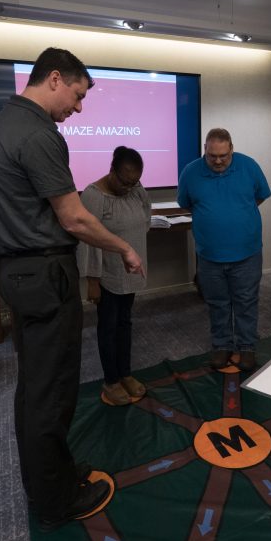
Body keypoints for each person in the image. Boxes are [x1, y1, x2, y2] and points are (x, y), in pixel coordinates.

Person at [0, 47, 144, 531]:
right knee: (52, 394)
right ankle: (56, 500)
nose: (79, 108)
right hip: (45, 276)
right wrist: (124, 250)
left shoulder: (1, 126)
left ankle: (50, 480)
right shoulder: (38, 134)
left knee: (34, 389)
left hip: (20, 275)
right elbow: (74, 217)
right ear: (54, 79)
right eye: (78, 94)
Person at [177, 128, 271, 372]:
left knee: (246, 302)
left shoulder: (249, 166)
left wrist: (237, 216)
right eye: (212, 156)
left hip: (247, 253)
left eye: (223, 156)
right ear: (205, 151)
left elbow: (259, 197)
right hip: (209, 255)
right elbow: (187, 204)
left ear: (232, 149)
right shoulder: (190, 172)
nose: (218, 161)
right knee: (217, 303)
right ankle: (221, 345)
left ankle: (247, 346)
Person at [77, 146, 152, 406]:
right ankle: (111, 381)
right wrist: (92, 280)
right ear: (111, 170)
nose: (128, 187)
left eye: (134, 182)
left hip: (129, 273)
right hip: (107, 274)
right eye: (124, 180)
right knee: (108, 328)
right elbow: (87, 239)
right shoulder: (93, 195)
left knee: (125, 323)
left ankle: (125, 374)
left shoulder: (135, 188)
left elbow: (145, 214)